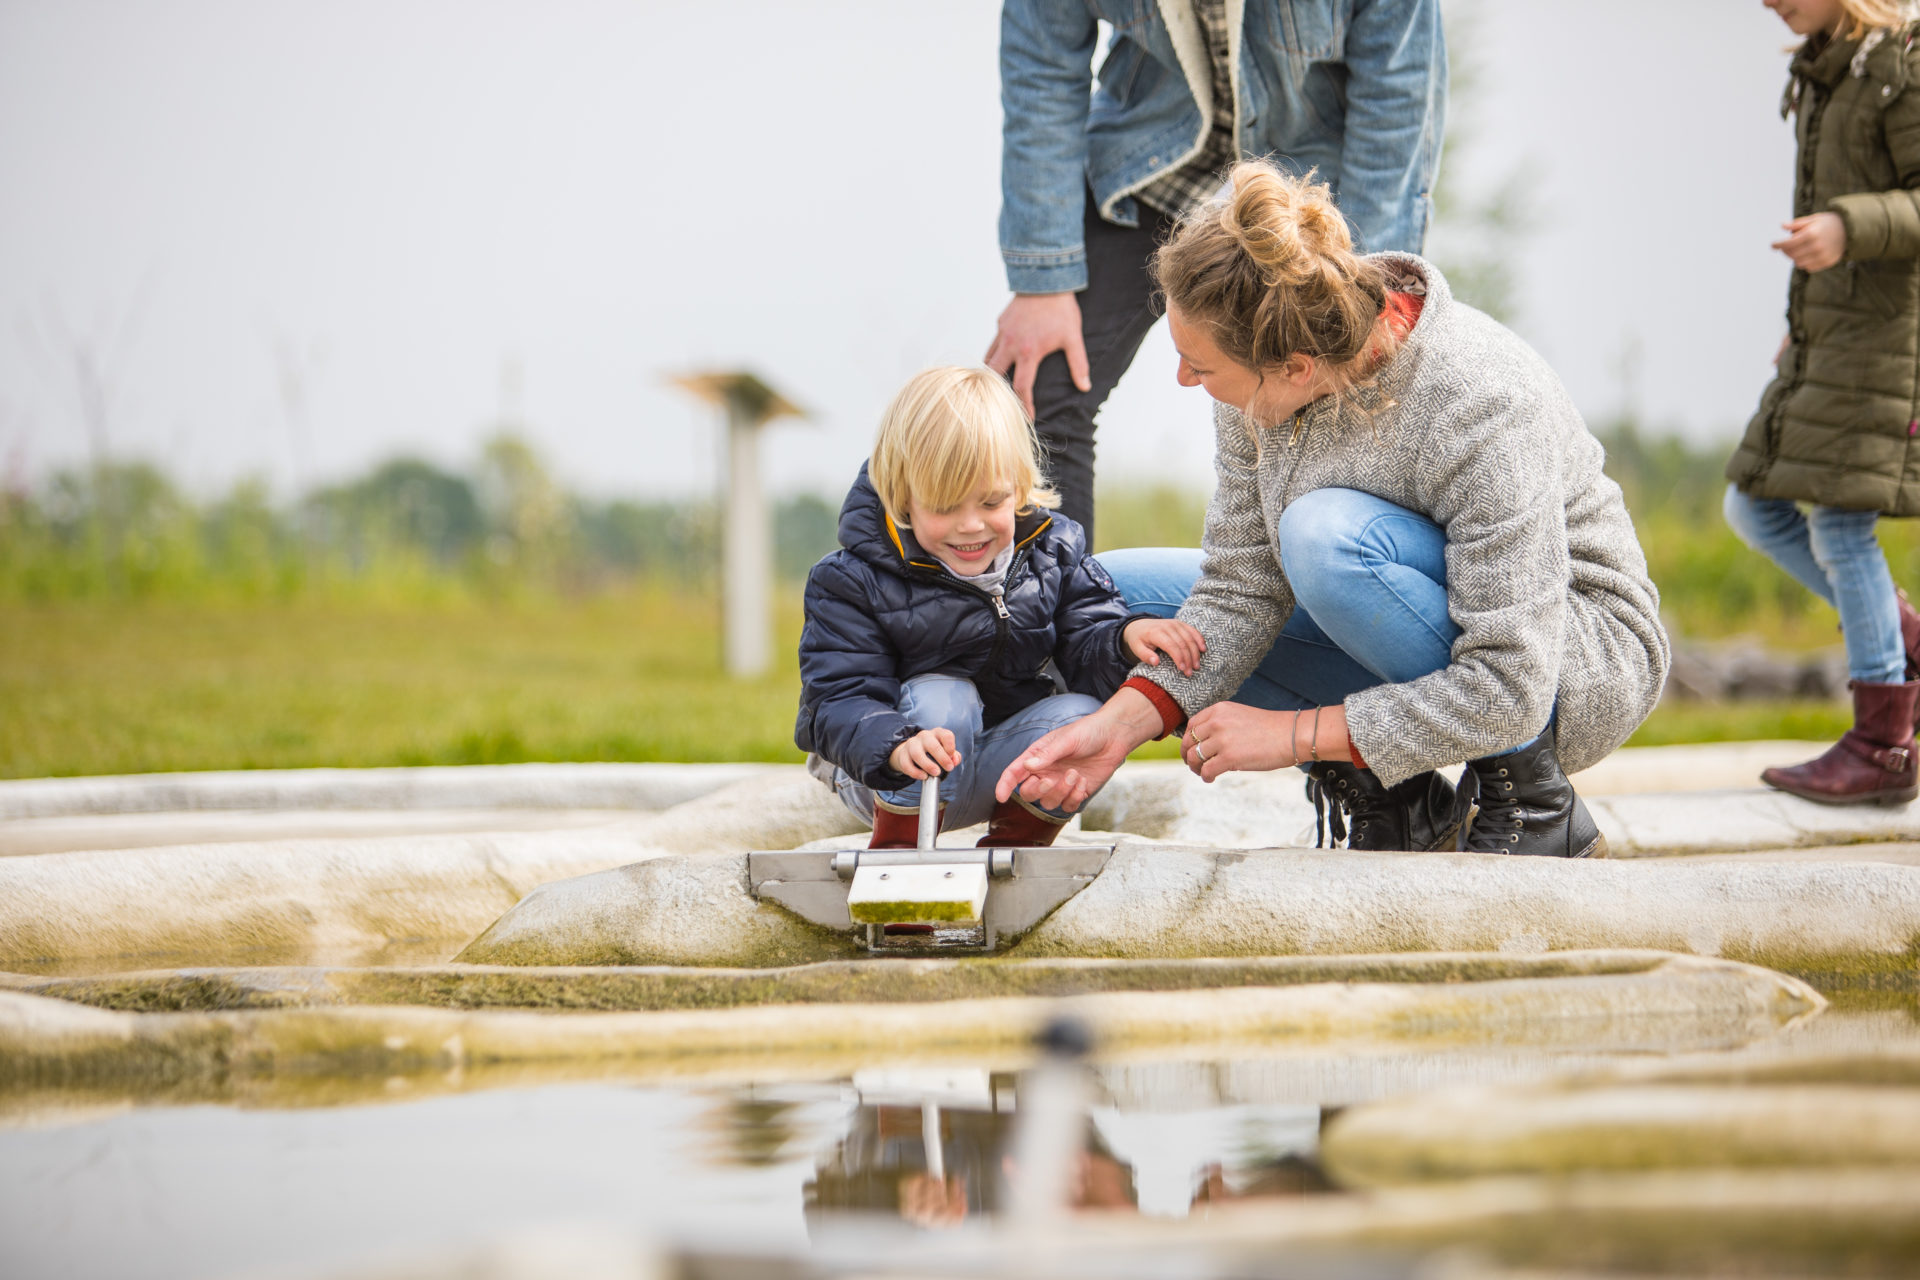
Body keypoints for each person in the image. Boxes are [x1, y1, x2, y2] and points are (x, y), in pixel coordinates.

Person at [995, 160, 1671, 857]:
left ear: (1296, 366)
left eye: (1200, 368)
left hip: (1565, 666)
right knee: (1118, 591)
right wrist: (1123, 724)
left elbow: (1510, 684)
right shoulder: (1258, 382)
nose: (1183, 379)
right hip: (1418, 625)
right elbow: (1240, 588)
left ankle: (1533, 798)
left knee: (1321, 540)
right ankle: (1404, 802)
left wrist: (1295, 737)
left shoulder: (1482, 402)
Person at [985, 0, 1447, 545]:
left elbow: (1396, 100)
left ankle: (1326, 595)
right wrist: (1045, 279)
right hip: (1149, 164)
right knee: (1039, 384)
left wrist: (1363, 293)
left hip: (1305, 189)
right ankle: (1054, 615)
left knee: (1340, 390)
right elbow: (1041, 71)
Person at [796, 366, 1204, 849]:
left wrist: (1123, 638)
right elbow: (837, 699)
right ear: (903, 498)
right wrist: (894, 744)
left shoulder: (1052, 551)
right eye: (945, 508)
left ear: (1019, 485)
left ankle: (1016, 850)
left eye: (991, 502)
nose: (971, 526)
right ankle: (903, 860)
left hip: (995, 768)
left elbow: (1087, 634)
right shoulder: (851, 579)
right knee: (944, 698)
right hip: (885, 776)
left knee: (1083, 717)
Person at [1724, 0, 1920, 807]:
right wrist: (1798, 322)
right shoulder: (1831, 66)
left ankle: (1882, 746)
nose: (1763, 1)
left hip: (1886, 340)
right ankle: (1907, 642)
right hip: (1827, 333)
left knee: (1840, 523)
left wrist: (1845, 225)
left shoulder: (1901, 64)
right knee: (1753, 507)